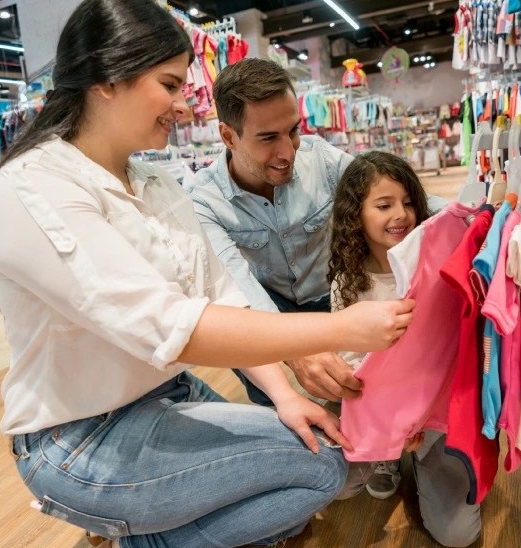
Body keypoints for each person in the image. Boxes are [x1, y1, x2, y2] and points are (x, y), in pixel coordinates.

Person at [0, 0, 414, 548]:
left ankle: (142, 515)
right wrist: (341, 327)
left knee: (313, 453)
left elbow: (218, 292)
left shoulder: (151, 182)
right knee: (320, 471)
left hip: (163, 396)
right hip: (78, 436)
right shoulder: (32, 192)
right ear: (107, 80)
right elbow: (172, 324)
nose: (184, 104)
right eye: (170, 83)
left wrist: (284, 396)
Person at [186, 59, 445, 407]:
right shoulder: (204, 201)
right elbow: (238, 288)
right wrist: (295, 352)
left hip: (335, 293)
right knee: (282, 407)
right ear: (228, 136)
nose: (288, 150)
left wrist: (479, 215)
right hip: (269, 308)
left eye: (292, 130)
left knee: (363, 390)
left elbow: (387, 192)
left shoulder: (320, 158)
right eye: (268, 138)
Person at [327, 151, 482, 548]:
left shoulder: (434, 263)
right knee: (337, 487)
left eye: (409, 202)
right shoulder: (349, 281)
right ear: (355, 215)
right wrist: (393, 426)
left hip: (435, 409)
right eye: (384, 205)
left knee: (459, 535)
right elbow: (353, 366)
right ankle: (388, 458)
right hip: (382, 410)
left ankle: (425, 459)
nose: (401, 214)